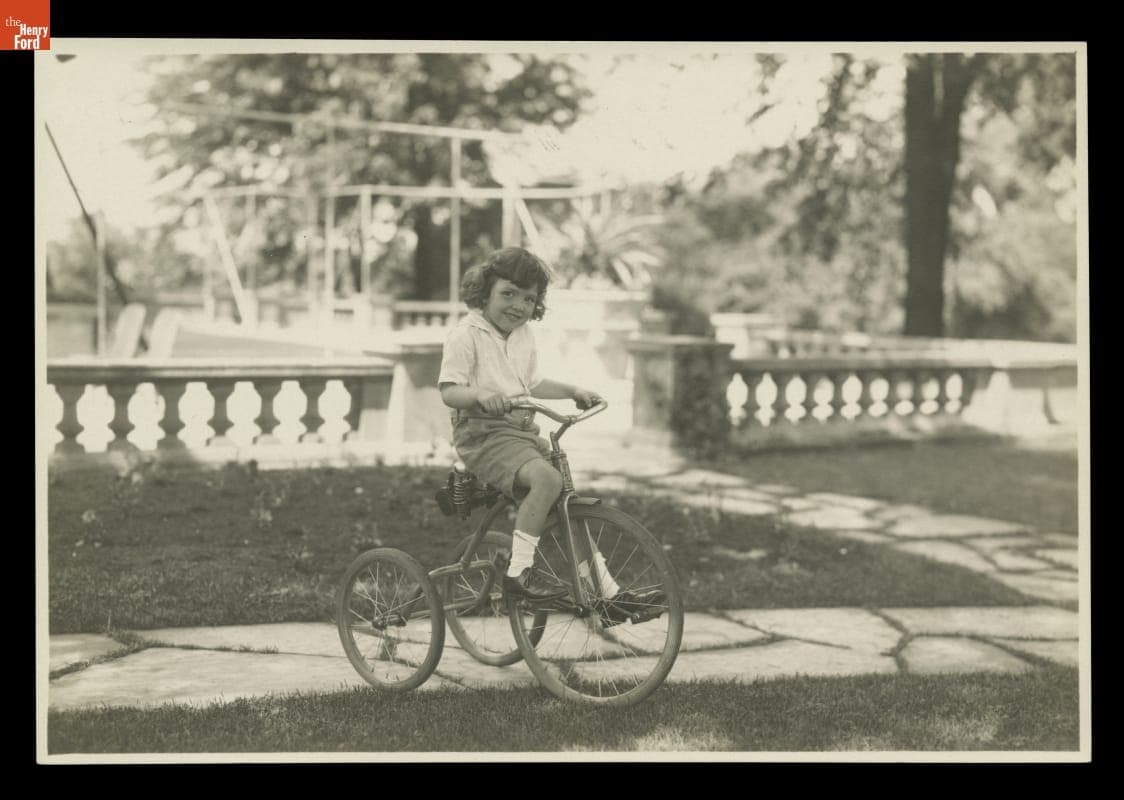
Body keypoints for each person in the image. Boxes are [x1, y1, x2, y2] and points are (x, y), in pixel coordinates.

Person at [438, 247, 647, 611]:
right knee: (547, 481)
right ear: (485, 291)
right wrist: (481, 394)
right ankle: (517, 575)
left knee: (566, 503)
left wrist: (573, 391)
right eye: (508, 294)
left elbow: (531, 383)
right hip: (482, 434)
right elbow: (449, 391)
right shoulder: (466, 334)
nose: (518, 305)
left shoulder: (522, 336)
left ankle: (607, 593)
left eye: (529, 298)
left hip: (519, 433)